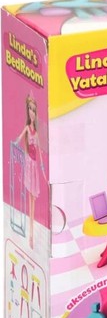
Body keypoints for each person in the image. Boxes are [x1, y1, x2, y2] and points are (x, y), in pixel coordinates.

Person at [16, 94, 46, 249]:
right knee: (30, 198)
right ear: (27, 111)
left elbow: (39, 151)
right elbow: (19, 138)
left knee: (34, 197)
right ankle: (31, 235)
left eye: (33, 110)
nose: (31, 112)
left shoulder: (37, 132)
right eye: (30, 109)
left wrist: (42, 167)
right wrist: (15, 144)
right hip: (29, 164)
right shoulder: (27, 128)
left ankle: (33, 232)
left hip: (35, 165)